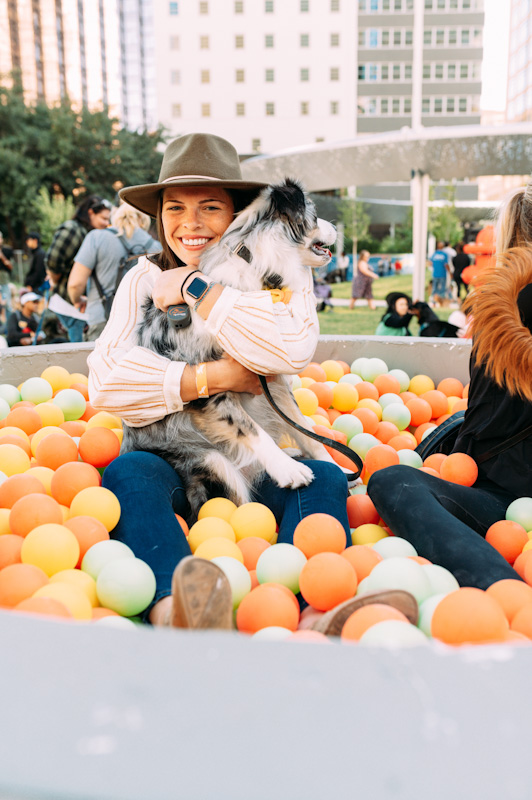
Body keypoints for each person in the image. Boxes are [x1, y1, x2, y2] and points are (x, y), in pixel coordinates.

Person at [87, 132, 353, 630]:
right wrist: (212, 376)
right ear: (158, 216)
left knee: (328, 480)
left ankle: (311, 607)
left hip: (257, 464)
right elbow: (105, 382)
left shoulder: (281, 270)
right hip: (176, 461)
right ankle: (175, 605)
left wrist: (196, 287)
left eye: (210, 207)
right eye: (174, 208)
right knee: (129, 476)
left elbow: (290, 351)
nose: (189, 224)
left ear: (237, 215)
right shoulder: (142, 277)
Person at [367, 184, 532, 590]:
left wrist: (454, 450)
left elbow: (485, 426)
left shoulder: (504, 306)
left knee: (392, 482)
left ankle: (497, 585)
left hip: (507, 497)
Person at [67, 203, 161, 341]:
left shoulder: (96, 237)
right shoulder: (157, 247)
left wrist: (77, 300)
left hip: (101, 319)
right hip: (143, 324)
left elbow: (75, 284)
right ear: (144, 221)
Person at [45, 195, 112, 342]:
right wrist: (56, 282)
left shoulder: (90, 234)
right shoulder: (73, 230)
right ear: (90, 213)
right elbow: (53, 261)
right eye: (103, 218)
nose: (107, 224)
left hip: (78, 304)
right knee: (77, 351)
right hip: (69, 304)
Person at [0, 231, 13, 332]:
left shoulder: (6, 250)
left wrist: (2, 257)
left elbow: (11, 267)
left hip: (3, 279)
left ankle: (9, 328)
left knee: (7, 304)